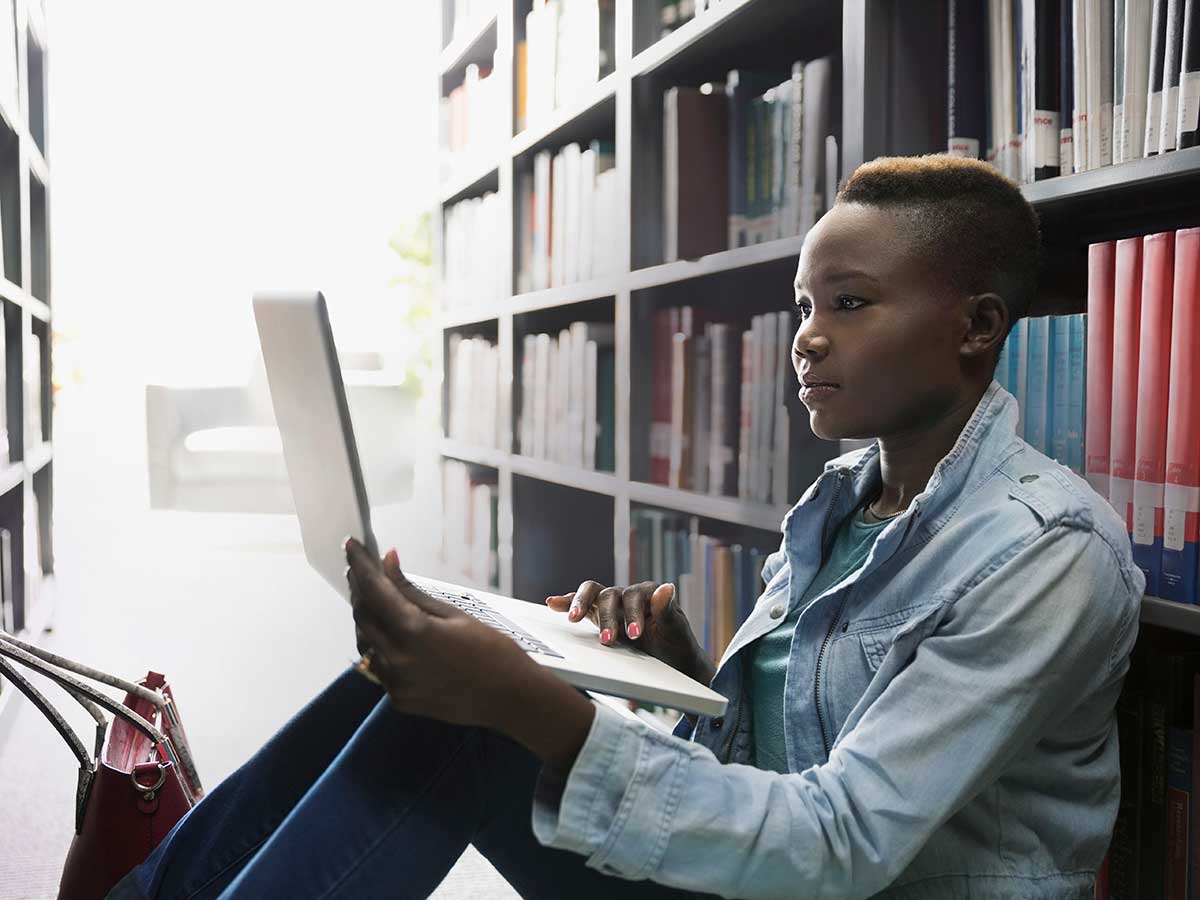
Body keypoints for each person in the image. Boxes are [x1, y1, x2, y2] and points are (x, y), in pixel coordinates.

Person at [108, 155, 1142, 900]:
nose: (809, 337)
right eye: (803, 303)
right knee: (424, 684)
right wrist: (688, 680)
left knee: (481, 712)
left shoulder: (1047, 555)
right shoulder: (842, 504)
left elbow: (840, 843)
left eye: (853, 302)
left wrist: (543, 712)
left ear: (976, 328)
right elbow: (771, 774)